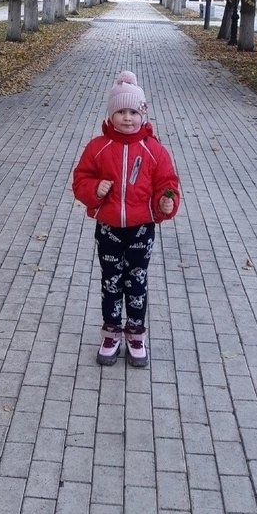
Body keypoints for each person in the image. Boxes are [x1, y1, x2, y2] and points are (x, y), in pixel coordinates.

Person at [72, 70, 180, 367]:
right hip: (109, 230)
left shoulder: (154, 150)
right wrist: (95, 189)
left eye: (133, 111)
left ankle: (135, 334)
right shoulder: (98, 148)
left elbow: (168, 182)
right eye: (121, 111)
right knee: (111, 281)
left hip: (141, 230)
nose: (128, 118)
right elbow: (80, 179)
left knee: (137, 282)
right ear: (111, 114)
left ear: (142, 114)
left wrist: (165, 203)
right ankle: (111, 332)